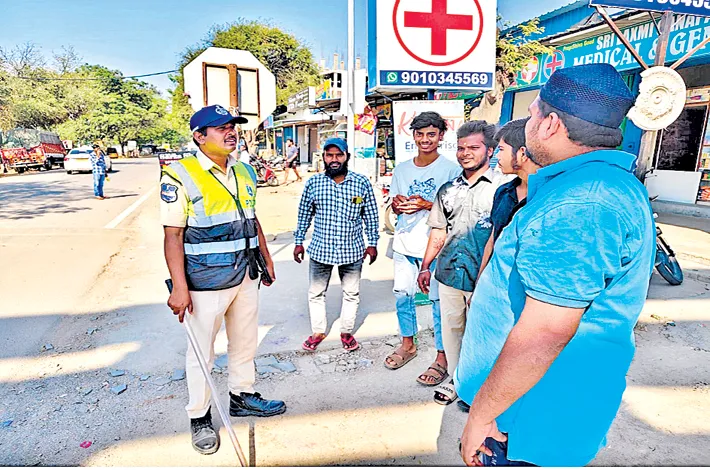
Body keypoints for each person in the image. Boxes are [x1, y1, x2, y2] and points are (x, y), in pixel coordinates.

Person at [456, 64, 656, 467]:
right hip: (524, 407)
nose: (528, 124)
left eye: (531, 114)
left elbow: (545, 331)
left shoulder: (581, 202)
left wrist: (481, 415)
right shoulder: (595, 185)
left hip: (525, 420)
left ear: (549, 124)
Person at [161, 105, 286, 456]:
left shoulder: (245, 170)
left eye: (233, 126)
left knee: (244, 342)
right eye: (221, 128)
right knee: (202, 352)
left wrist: (266, 256)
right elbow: (173, 235)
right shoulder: (180, 174)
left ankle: (242, 396)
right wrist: (180, 287)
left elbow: (252, 217)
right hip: (205, 280)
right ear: (199, 137)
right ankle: (199, 416)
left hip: (245, 274)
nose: (231, 132)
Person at [416, 120, 506, 406]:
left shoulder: (503, 189)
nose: (465, 153)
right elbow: (438, 231)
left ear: (490, 150)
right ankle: (459, 381)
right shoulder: (447, 189)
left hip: (486, 278)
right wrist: (425, 265)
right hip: (449, 274)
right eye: (461, 148)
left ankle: (483, 387)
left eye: (473, 148)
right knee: (452, 330)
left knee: (484, 334)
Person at [384, 111, 461, 388]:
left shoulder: (451, 169)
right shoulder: (402, 169)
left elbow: (456, 209)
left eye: (431, 134)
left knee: (438, 303)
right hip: (404, 243)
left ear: (441, 136)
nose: (425, 139)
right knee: (402, 296)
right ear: (413, 136)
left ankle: (442, 355)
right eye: (420, 134)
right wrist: (398, 205)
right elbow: (394, 204)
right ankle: (408, 344)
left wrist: (427, 205)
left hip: (435, 246)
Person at [294, 137, 379, 352]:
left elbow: (371, 215)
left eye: (339, 155)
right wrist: (298, 242)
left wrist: (372, 243)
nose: (334, 159)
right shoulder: (314, 183)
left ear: (347, 157)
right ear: (323, 157)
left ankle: (346, 332)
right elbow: (304, 214)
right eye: (329, 155)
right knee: (316, 293)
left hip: (352, 250)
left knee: (351, 294)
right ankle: (318, 332)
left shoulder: (361, 183)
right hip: (321, 250)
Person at [476, 118, 540, 281]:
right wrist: (480, 282)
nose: (497, 156)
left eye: (502, 149)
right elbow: (493, 238)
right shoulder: (503, 192)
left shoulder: (547, 196)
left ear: (522, 153)